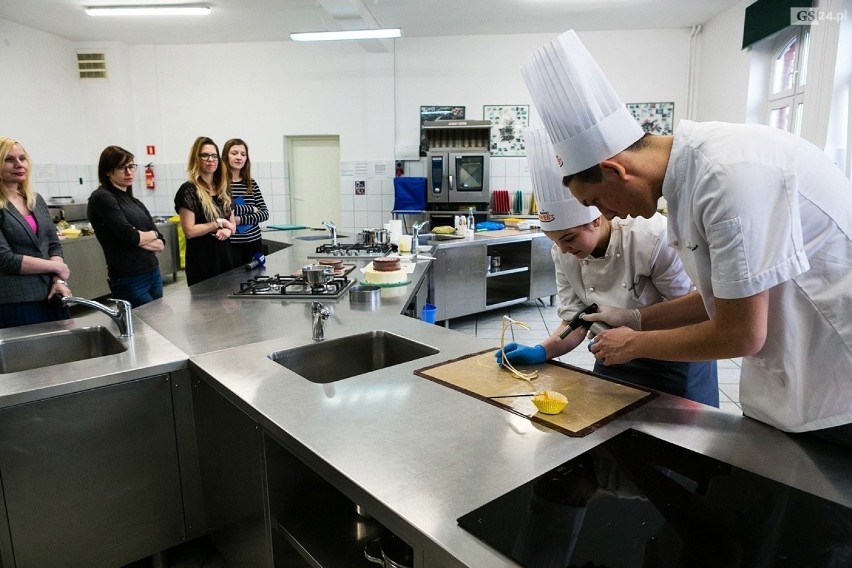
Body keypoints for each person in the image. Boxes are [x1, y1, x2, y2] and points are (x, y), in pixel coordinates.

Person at [521, 29, 852, 446]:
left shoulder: (725, 176)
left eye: (597, 201)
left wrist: (635, 343)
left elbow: (743, 332)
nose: (604, 214)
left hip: (838, 387)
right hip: (794, 380)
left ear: (614, 170)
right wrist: (635, 317)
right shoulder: (691, 179)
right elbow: (723, 297)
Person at [495, 128, 718, 406]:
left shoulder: (651, 238)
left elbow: (692, 312)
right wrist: (543, 351)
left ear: (596, 219)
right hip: (612, 355)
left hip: (674, 360)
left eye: (569, 238)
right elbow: (576, 320)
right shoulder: (564, 253)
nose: (564, 250)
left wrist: (633, 320)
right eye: (555, 242)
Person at [0, 137, 72, 328]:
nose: (19, 164)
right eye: (9, 159)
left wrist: (59, 280)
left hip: (53, 293)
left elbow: (53, 244)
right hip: (17, 301)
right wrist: (56, 268)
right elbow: (5, 259)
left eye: (22, 158)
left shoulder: (34, 199)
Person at [87, 146, 165, 307]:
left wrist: (142, 237)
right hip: (129, 278)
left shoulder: (134, 202)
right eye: (122, 168)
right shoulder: (102, 197)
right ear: (108, 171)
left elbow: (161, 242)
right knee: (139, 326)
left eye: (131, 166)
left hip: (152, 272)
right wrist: (149, 235)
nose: (129, 172)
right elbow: (129, 236)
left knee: (159, 323)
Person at [174, 137, 236, 286]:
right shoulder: (188, 190)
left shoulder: (223, 188)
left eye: (214, 156)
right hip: (202, 261)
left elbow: (232, 224)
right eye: (205, 155)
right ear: (197, 158)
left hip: (225, 256)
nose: (210, 160)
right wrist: (218, 223)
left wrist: (228, 231)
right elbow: (189, 231)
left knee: (229, 306)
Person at [222, 138, 269, 266]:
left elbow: (264, 213)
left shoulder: (251, 183)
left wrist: (239, 220)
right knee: (233, 283)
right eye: (234, 153)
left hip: (254, 243)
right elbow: (225, 210)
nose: (239, 157)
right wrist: (252, 208)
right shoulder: (220, 184)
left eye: (243, 154)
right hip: (231, 245)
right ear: (226, 156)